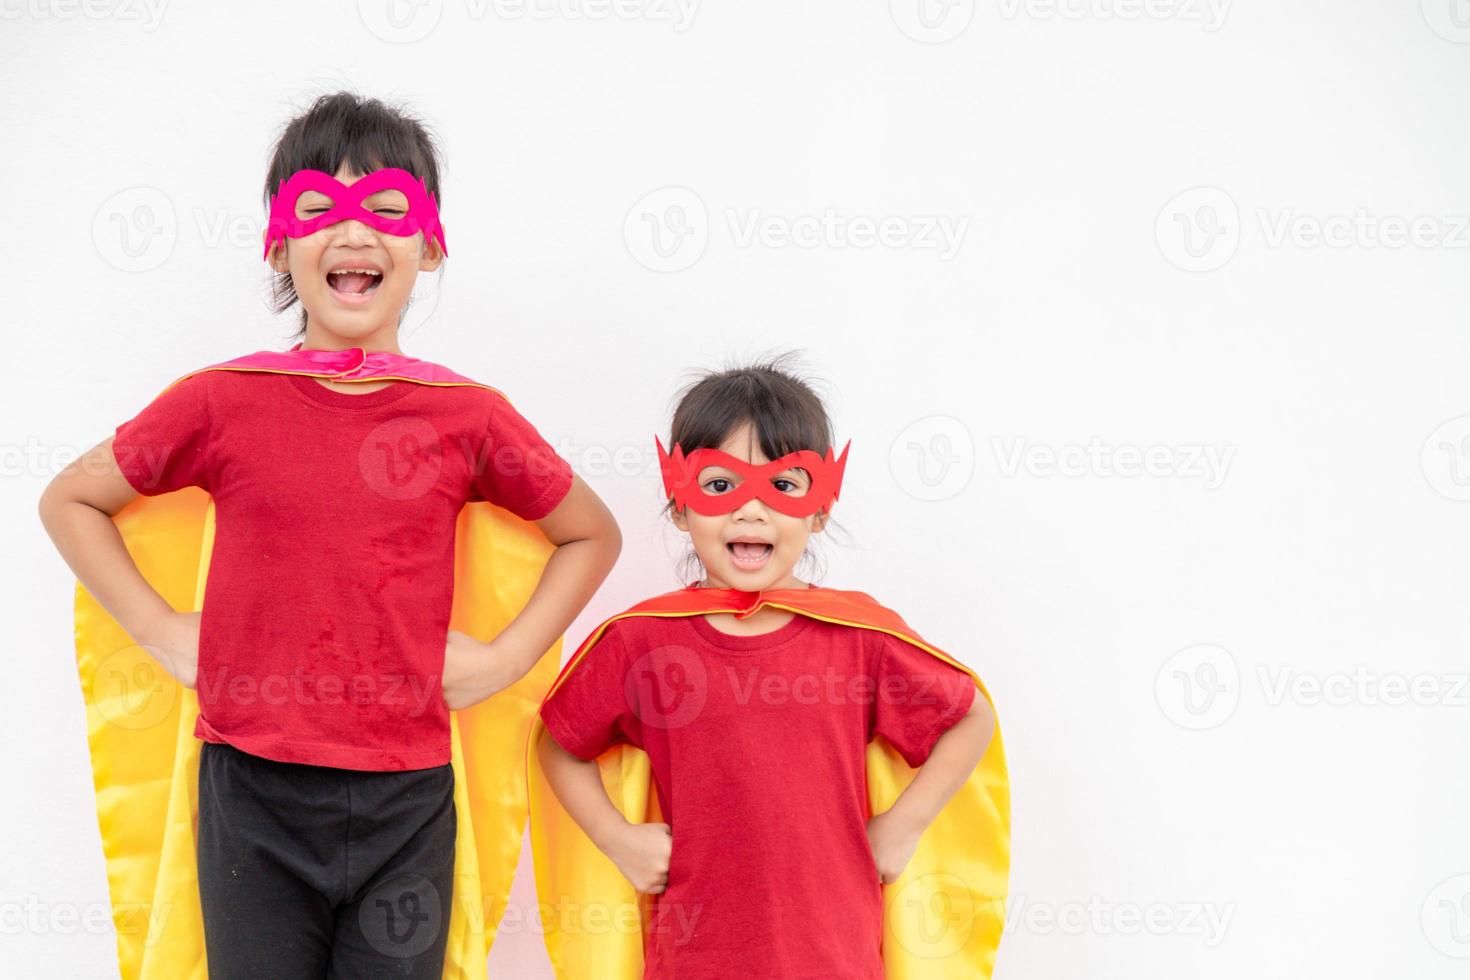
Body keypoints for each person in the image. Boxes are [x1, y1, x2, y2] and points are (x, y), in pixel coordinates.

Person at [38, 91, 622, 979]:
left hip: (408, 801)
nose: (353, 235)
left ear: (429, 245)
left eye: (387, 211)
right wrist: (161, 633)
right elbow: (69, 501)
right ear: (279, 242)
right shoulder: (220, 399)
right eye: (319, 210)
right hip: (249, 794)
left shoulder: (469, 416)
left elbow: (591, 535)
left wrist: (504, 661)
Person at [526, 355, 1010, 979]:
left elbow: (968, 717)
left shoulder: (859, 638)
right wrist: (617, 838)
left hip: (834, 954)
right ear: (679, 504)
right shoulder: (640, 642)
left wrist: (904, 827)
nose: (750, 511)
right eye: (719, 485)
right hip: (693, 957)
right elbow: (559, 741)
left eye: (783, 486)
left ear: (820, 510)